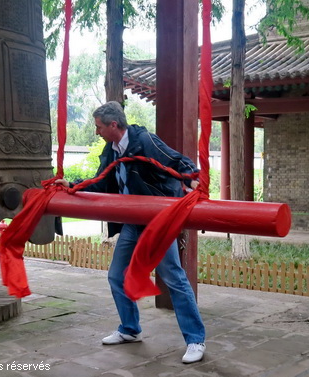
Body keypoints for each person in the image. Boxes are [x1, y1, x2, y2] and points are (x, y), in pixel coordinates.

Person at [57, 101, 206, 364]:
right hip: (132, 224)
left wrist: (193, 179)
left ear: (113, 125)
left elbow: (178, 161)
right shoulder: (111, 151)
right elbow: (101, 182)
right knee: (116, 275)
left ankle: (195, 339)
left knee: (174, 279)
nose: (97, 132)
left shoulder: (145, 141)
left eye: (99, 127)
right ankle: (130, 329)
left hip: (157, 222)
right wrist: (73, 185)